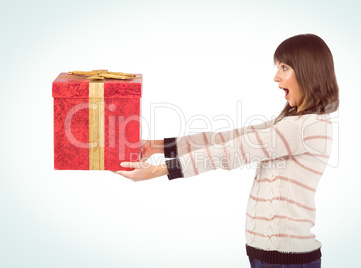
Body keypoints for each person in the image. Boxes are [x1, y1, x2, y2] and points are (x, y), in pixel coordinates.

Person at [114, 33, 339, 268]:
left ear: (308, 71)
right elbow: (229, 139)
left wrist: (155, 171)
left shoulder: (305, 127)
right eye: (277, 67)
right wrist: (157, 146)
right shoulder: (289, 123)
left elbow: (232, 152)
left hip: (286, 261)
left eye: (284, 67)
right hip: (269, 256)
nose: (275, 77)